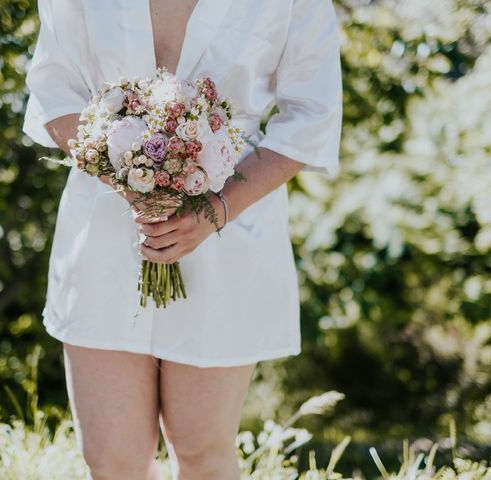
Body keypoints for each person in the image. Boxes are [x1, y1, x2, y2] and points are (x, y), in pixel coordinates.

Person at [22, 0, 342, 478]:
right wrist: (129, 180)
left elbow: (313, 114)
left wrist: (214, 210)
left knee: (201, 451)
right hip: (106, 228)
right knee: (113, 460)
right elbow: (54, 88)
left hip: (230, 229)